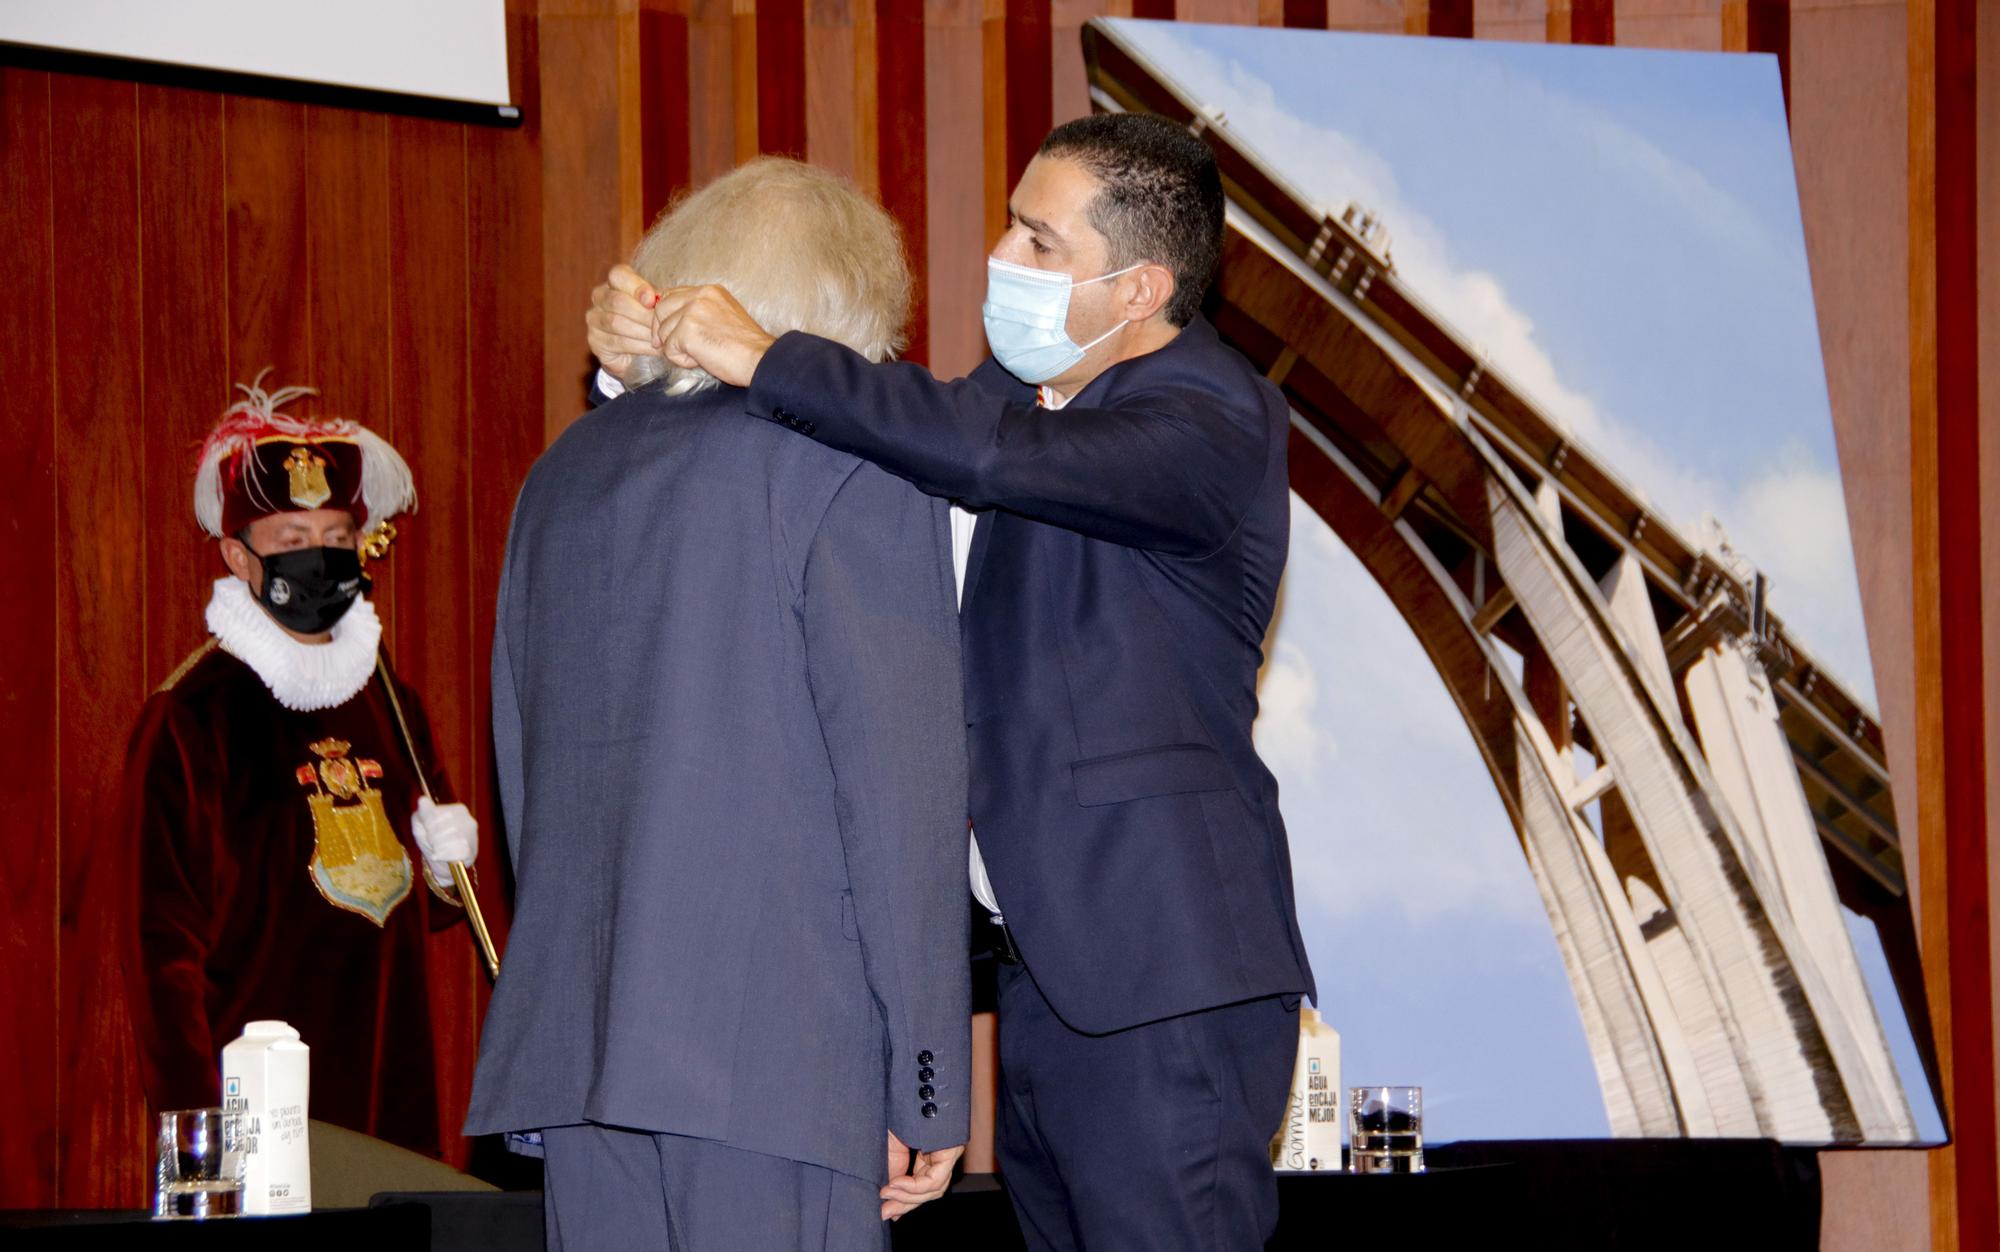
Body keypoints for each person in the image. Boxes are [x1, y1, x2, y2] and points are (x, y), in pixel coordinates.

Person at [589, 114, 1317, 1250]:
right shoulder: (1010, 402)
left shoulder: (1212, 413)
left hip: (1160, 975)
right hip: (1044, 978)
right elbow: (859, 463)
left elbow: (978, 458)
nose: (1001, 263)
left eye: (1039, 244)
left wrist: (767, 351)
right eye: (1011, 227)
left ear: (1139, 290)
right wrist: (644, 363)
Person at [465, 158, 971, 1251]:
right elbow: (901, 799)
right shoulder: (851, 470)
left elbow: (524, 764)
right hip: (778, 1061)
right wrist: (926, 1076)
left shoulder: (561, 474)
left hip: (581, 1048)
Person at [121, 375, 479, 1159]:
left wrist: (448, 877)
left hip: (395, 1092)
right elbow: (163, 959)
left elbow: (418, 907)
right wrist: (199, 1141)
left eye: (338, 537)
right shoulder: (192, 717)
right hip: (266, 1120)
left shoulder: (391, 697)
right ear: (237, 557)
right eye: (290, 540)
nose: (320, 557)